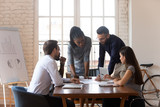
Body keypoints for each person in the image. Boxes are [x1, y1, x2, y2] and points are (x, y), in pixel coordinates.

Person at [27, 40, 80, 107]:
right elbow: (58, 82)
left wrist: (69, 80)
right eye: (58, 50)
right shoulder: (50, 61)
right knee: (70, 104)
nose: (59, 53)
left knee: (65, 102)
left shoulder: (44, 59)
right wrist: (63, 81)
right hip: (39, 99)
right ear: (54, 50)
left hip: (33, 96)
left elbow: (56, 79)